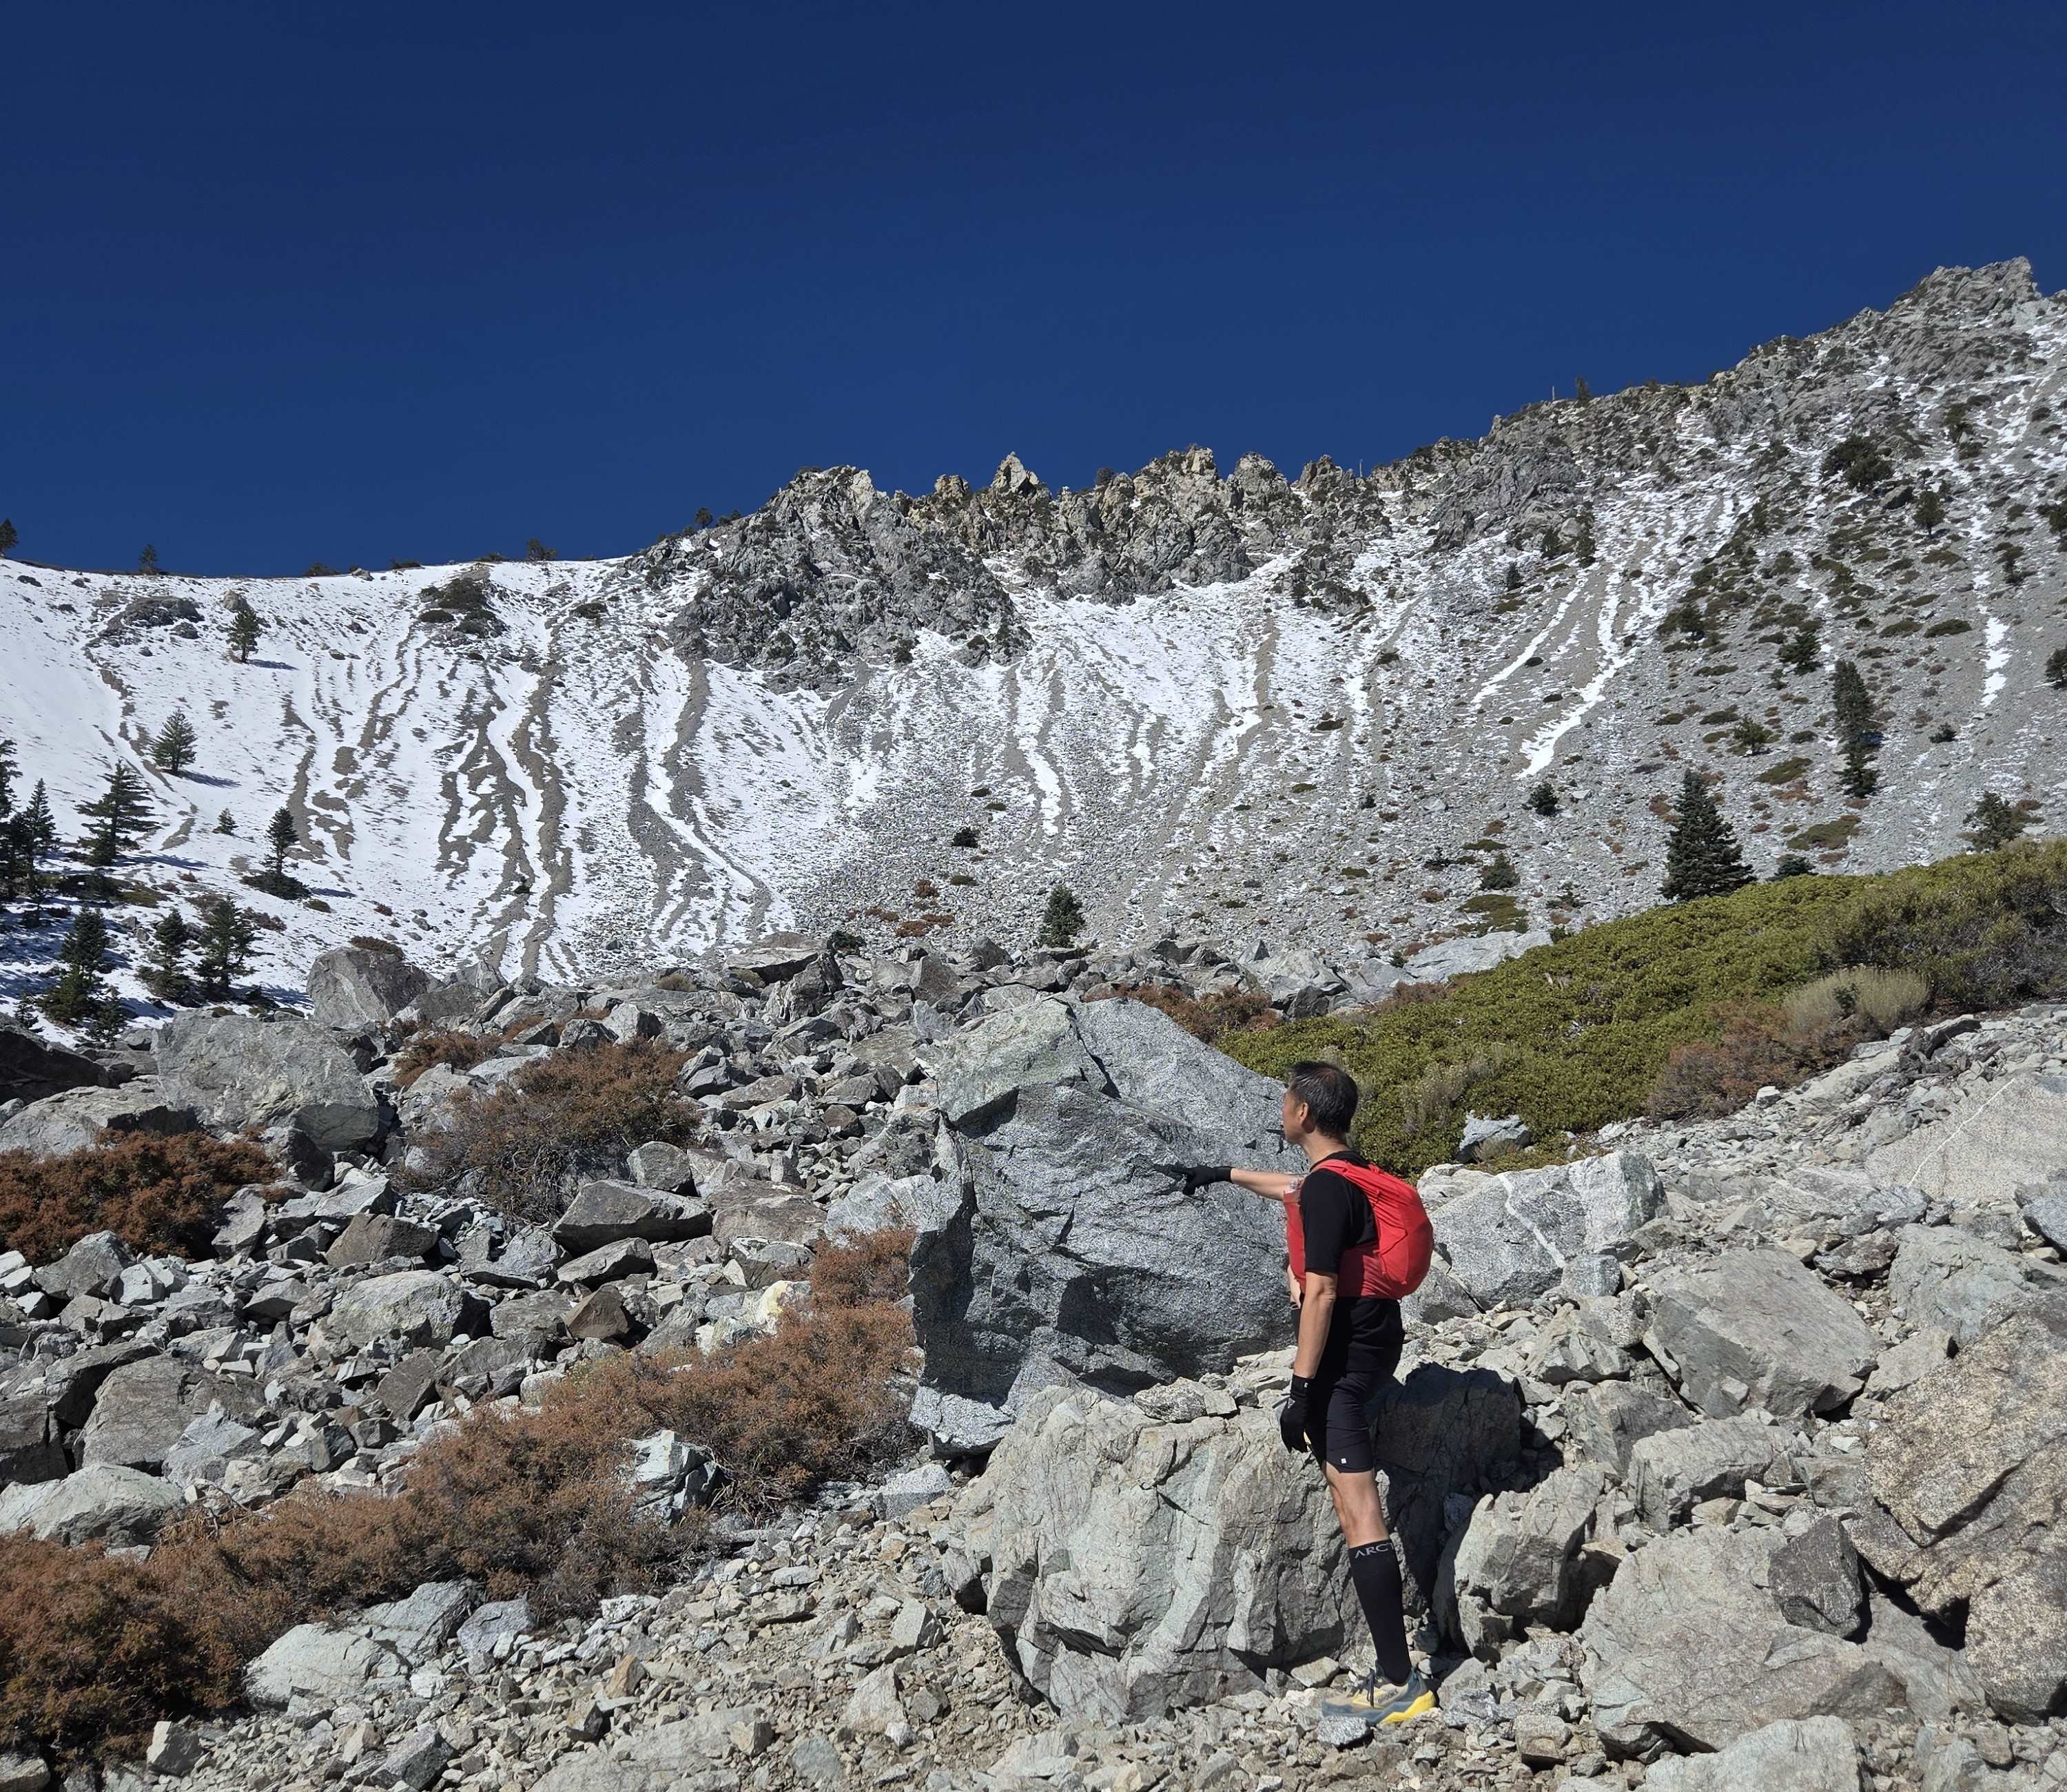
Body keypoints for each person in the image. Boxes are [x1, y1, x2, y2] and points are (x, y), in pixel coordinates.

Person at [1158, 1060, 1437, 1724]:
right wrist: (1220, 1174)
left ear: (1303, 1113)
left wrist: (1302, 1388)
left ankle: (1401, 1682)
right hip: (1377, 1338)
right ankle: (1398, 1672)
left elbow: (1321, 1289)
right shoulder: (1347, 1174)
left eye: (1284, 1102)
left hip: (1341, 1354)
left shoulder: (1324, 1190)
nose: (1280, 1110)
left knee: (1358, 1508)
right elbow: (1289, 1187)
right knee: (1353, 1493)